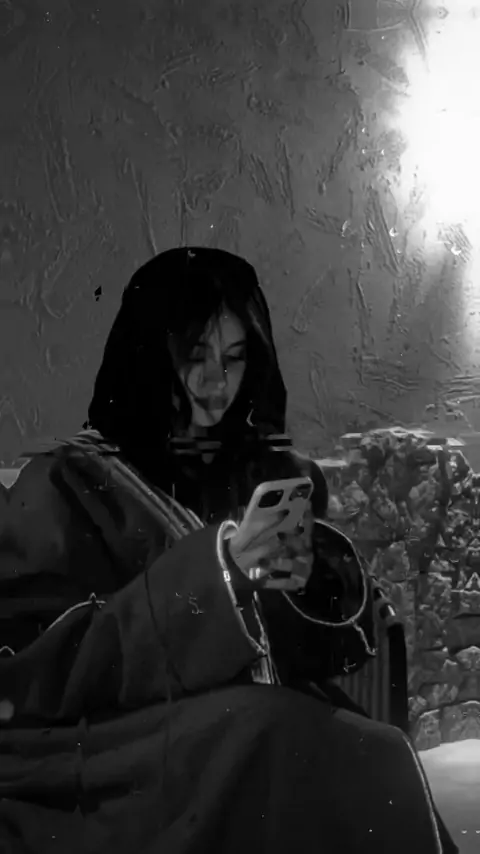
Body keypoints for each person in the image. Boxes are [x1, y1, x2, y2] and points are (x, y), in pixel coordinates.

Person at [0, 247, 457, 853]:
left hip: (241, 716)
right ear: (149, 354)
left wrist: (302, 580)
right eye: (194, 356)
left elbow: (297, 653)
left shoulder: (257, 472)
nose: (216, 384)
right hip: (114, 746)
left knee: (378, 753)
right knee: (277, 737)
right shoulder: (66, 484)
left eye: (234, 358)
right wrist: (217, 573)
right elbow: (38, 672)